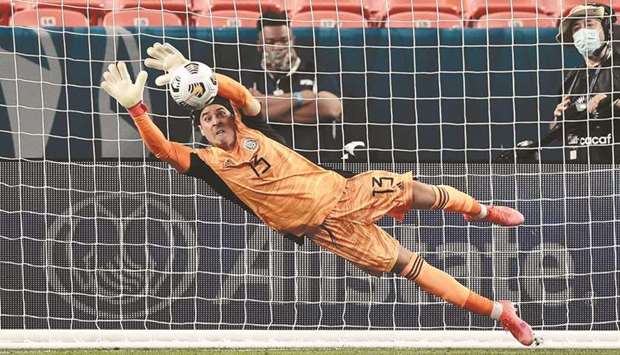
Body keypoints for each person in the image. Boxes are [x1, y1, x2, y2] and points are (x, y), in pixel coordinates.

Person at [100, 53, 537, 346]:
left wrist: (202, 77)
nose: (215, 120)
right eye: (207, 119)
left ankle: (484, 211)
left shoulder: (255, 130)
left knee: (415, 190)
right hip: (328, 231)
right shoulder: (207, 163)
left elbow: (245, 99)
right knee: (412, 268)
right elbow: (160, 149)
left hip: (346, 191)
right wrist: (137, 107)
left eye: (219, 113)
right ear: (200, 132)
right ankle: (500, 313)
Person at [244, 10, 342, 124]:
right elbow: (244, 113)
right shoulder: (249, 75)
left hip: (310, 141)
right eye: (270, 42)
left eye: (284, 40)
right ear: (259, 45)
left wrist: (264, 109)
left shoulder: (314, 71)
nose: (279, 47)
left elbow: (331, 109)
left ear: (293, 40)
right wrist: (301, 97)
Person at [552, 2, 620, 162]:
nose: (583, 32)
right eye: (577, 28)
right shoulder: (570, 79)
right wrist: (558, 119)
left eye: (590, 25)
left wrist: (609, 103)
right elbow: (559, 134)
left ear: (606, 29)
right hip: (582, 171)